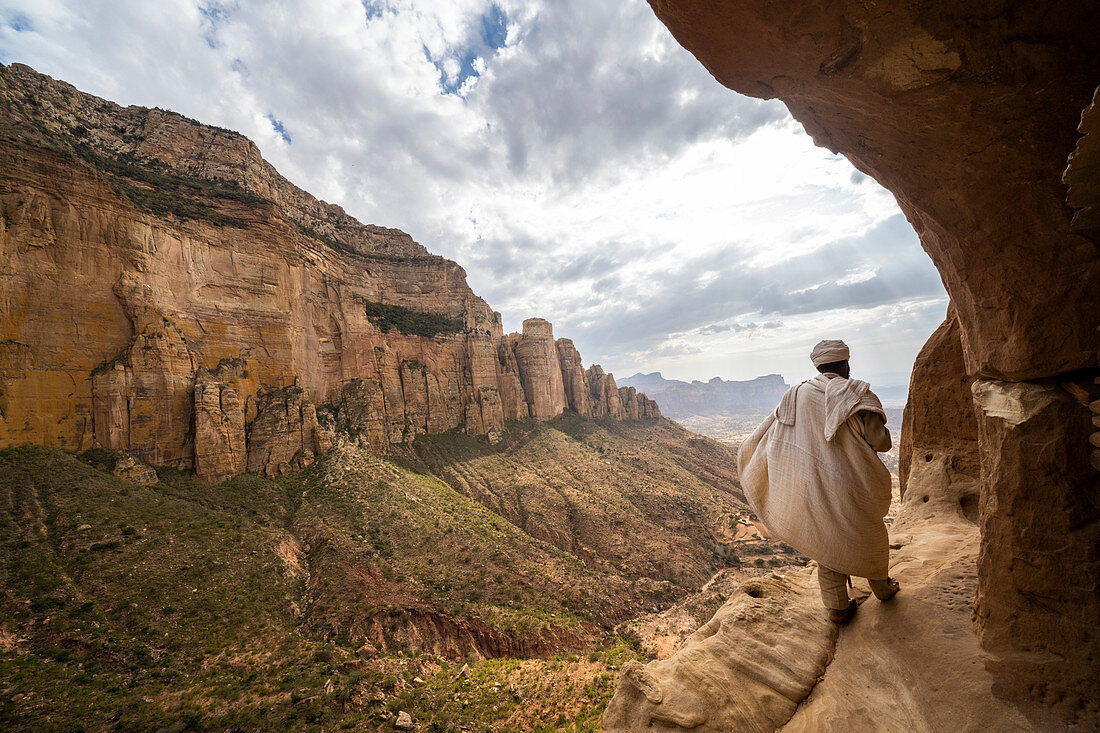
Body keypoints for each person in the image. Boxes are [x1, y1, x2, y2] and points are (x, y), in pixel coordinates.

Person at [737, 339, 899, 624]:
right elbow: (880, 442)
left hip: (816, 484)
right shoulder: (857, 395)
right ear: (845, 364)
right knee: (869, 534)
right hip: (855, 484)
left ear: (818, 365)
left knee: (829, 541)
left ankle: (837, 607)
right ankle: (882, 589)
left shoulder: (796, 394)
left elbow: (775, 433)